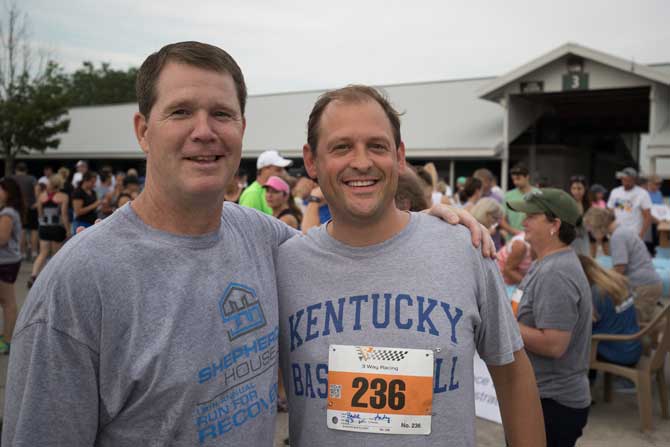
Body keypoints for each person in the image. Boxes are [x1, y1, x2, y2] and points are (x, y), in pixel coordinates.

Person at [3, 41, 491, 447]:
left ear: (241, 129)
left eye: (222, 114)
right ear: (142, 131)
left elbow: (350, 241)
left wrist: (424, 222)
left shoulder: (264, 239)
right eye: (180, 112)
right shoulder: (78, 286)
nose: (204, 131)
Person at [277, 85, 544, 447]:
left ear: (399, 157)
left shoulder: (463, 248)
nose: (361, 161)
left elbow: (512, 376)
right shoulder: (285, 263)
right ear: (311, 161)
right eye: (341, 147)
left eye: (377, 146)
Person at [507, 188, 592, 447]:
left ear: (555, 224)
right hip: (542, 399)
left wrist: (504, 324)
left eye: (532, 216)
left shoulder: (555, 272)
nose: (523, 222)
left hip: (552, 404)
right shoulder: (545, 263)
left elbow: (554, 344)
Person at [583, 207, 662, 324]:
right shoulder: (623, 230)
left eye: (591, 230)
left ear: (597, 225)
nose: (591, 234)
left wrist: (599, 279)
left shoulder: (617, 236)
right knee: (645, 320)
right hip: (649, 283)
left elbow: (619, 268)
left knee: (634, 324)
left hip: (643, 286)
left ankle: (661, 338)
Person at [577, 255, 641, 373]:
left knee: (576, 344)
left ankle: (587, 385)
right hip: (633, 346)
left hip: (619, 353)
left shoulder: (596, 293)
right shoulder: (617, 282)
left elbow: (583, 329)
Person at [29, 173, 70, 287]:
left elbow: (40, 213)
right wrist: (68, 230)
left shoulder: (41, 196)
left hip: (44, 227)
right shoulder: (63, 196)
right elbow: (64, 215)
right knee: (56, 254)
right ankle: (52, 279)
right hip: (56, 227)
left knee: (42, 253)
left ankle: (34, 275)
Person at [0, 178, 24, 355]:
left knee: (8, 302)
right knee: (7, 302)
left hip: (5, 262)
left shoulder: (7, 212)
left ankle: (7, 341)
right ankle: (7, 338)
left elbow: (2, 239)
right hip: (9, 260)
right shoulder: (10, 210)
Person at [239, 149, 293, 214]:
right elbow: (247, 223)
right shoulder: (252, 194)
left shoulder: (256, 192)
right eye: (278, 170)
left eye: (283, 170)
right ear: (265, 169)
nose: (283, 174)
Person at [607, 167, 652, 239]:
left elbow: (648, 216)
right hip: (616, 233)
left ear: (635, 180)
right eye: (624, 180)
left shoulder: (642, 193)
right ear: (621, 179)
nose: (626, 182)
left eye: (629, 180)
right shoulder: (615, 192)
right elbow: (609, 211)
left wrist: (641, 234)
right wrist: (609, 226)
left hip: (634, 234)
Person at [9, 162, 38, 260]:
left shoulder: (12, 179)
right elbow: (37, 189)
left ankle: (22, 253)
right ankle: (34, 253)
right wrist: (37, 202)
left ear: (16, 170)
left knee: (22, 231)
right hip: (31, 207)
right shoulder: (31, 178)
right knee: (34, 230)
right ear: (26, 170)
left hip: (18, 208)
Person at [501, 164, 536, 238]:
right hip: (513, 239)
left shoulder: (537, 194)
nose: (515, 182)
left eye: (518, 179)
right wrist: (515, 232)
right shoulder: (508, 196)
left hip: (534, 238)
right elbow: (502, 220)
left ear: (527, 177)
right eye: (513, 179)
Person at [569, 175, 591, 256]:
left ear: (585, 189)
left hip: (584, 238)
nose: (576, 191)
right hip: (570, 239)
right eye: (573, 188)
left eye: (579, 188)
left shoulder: (588, 204)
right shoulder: (567, 203)